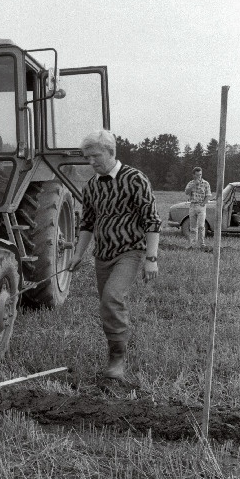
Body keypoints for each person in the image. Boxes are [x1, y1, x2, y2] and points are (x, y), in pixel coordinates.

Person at [68, 130, 161, 381]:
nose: (91, 162)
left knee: (111, 298)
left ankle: (117, 362)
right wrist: (78, 254)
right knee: (106, 307)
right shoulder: (91, 187)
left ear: (111, 151)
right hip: (102, 255)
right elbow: (87, 223)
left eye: (95, 156)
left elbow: (152, 221)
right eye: (87, 158)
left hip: (130, 252)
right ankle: (114, 351)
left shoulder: (135, 179)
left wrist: (151, 259)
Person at [184, 166, 211, 249]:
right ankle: (192, 244)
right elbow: (186, 192)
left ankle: (202, 244)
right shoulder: (191, 183)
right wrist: (194, 185)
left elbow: (208, 195)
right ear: (194, 175)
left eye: (200, 174)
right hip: (192, 205)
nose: (199, 176)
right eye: (197, 175)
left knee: (201, 226)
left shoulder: (206, 183)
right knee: (193, 227)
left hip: (201, 206)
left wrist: (203, 203)